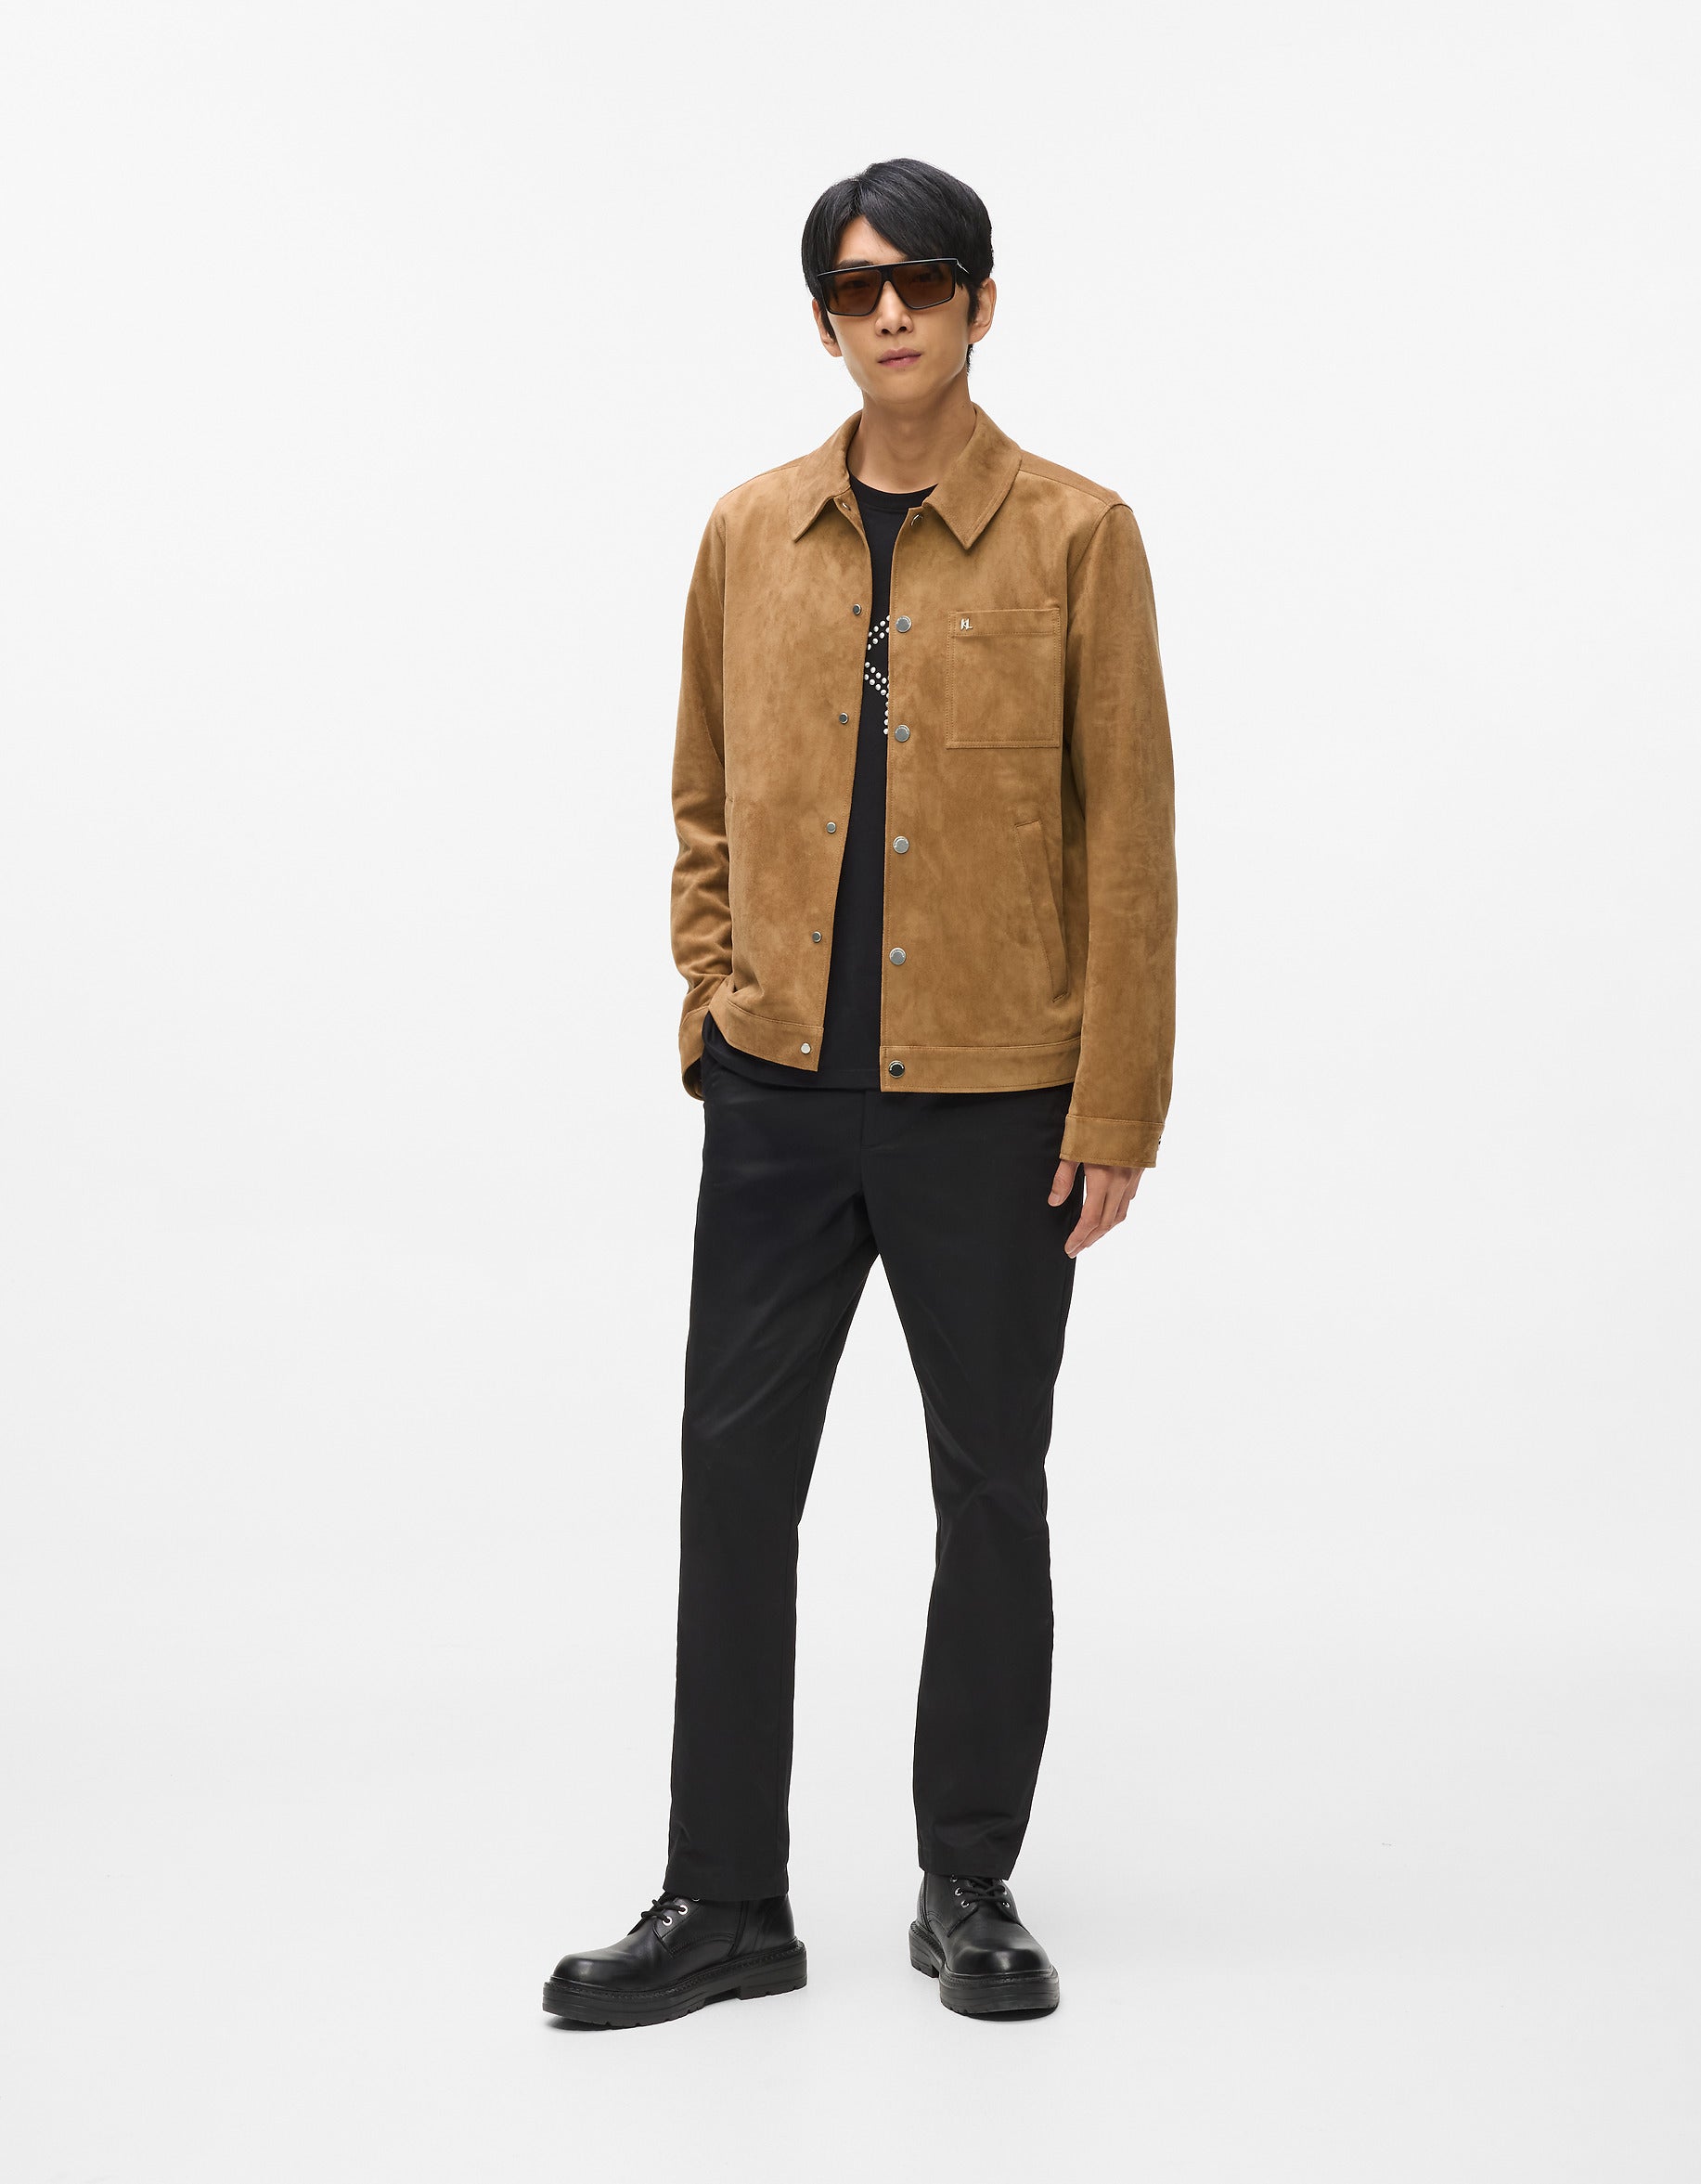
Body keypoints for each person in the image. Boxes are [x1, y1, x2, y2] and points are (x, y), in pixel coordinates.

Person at [542, 157, 1176, 2027]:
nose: (889, 312)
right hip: (780, 1098)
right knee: (734, 1477)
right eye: (854, 286)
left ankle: (966, 1878)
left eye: (923, 280)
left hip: (998, 1097)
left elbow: (1129, 840)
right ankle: (723, 1896)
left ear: (981, 305)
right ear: (824, 319)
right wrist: (714, 1012)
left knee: (989, 1485)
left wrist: (1115, 1103)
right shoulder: (749, 532)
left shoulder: (1079, 536)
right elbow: (702, 795)